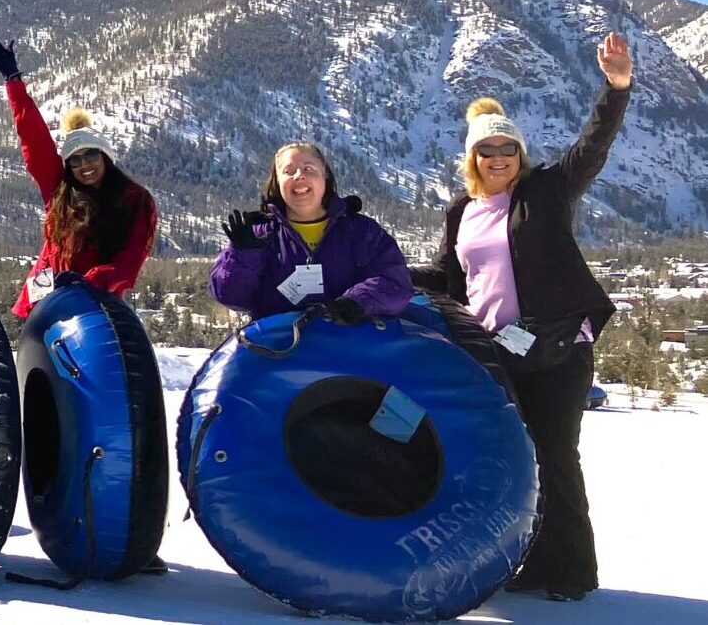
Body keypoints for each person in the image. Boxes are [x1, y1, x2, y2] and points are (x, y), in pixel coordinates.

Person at [412, 33, 633, 603]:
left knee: (556, 456)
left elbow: (591, 149)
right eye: (487, 150)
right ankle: (527, 561)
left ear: (519, 153)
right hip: (496, 352)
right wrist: (383, 273)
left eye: (507, 148)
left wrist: (615, 89)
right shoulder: (462, 211)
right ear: (472, 158)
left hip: (556, 348)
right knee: (517, 458)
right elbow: (448, 276)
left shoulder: (545, 191)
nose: (499, 157)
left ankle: (571, 572)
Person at [0, 36, 158, 317]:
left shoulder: (135, 200)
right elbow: (34, 140)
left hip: (96, 304)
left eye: (91, 155)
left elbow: (129, 262)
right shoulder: (60, 190)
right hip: (44, 297)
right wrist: (14, 82)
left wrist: (86, 284)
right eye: (75, 160)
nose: (85, 165)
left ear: (105, 157)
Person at [207, 142, 412, 323]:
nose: (299, 175)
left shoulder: (362, 231)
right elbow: (231, 298)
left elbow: (396, 283)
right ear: (277, 183)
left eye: (308, 168)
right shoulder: (257, 235)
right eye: (288, 171)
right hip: (279, 349)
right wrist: (242, 257)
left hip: (349, 347)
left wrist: (356, 303)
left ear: (325, 177)